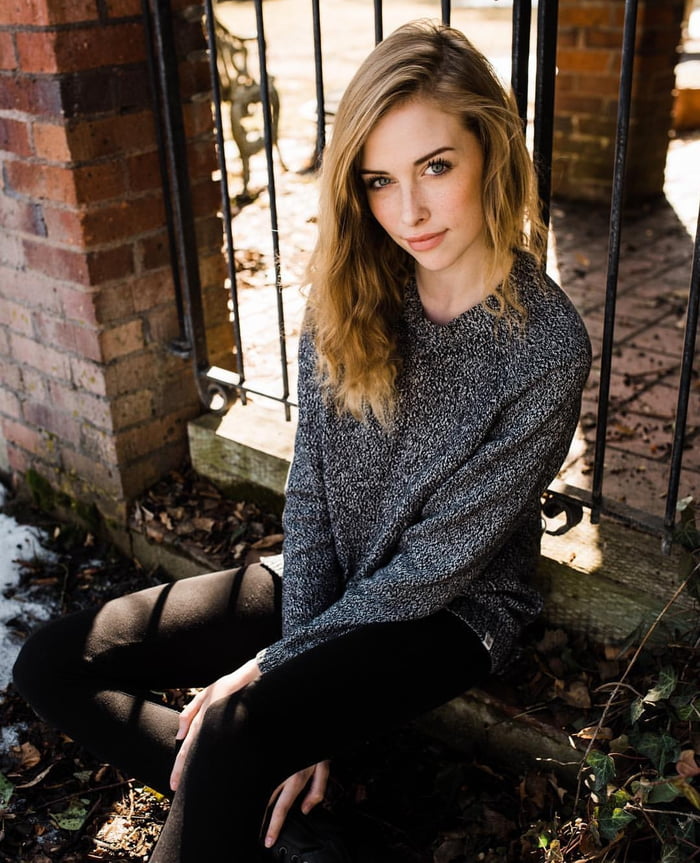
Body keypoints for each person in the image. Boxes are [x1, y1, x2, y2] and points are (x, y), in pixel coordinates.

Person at [13, 20, 591, 862]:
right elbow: (313, 495)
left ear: (491, 152)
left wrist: (284, 670)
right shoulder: (349, 293)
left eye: (436, 166)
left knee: (237, 722)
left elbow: (439, 564)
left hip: (449, 610)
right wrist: (299, 693)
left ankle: (238, 785)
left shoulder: (547, 347)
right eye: (380, 180)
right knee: (52, 662)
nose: (409, 211)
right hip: (337, 567)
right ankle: (292, 825)